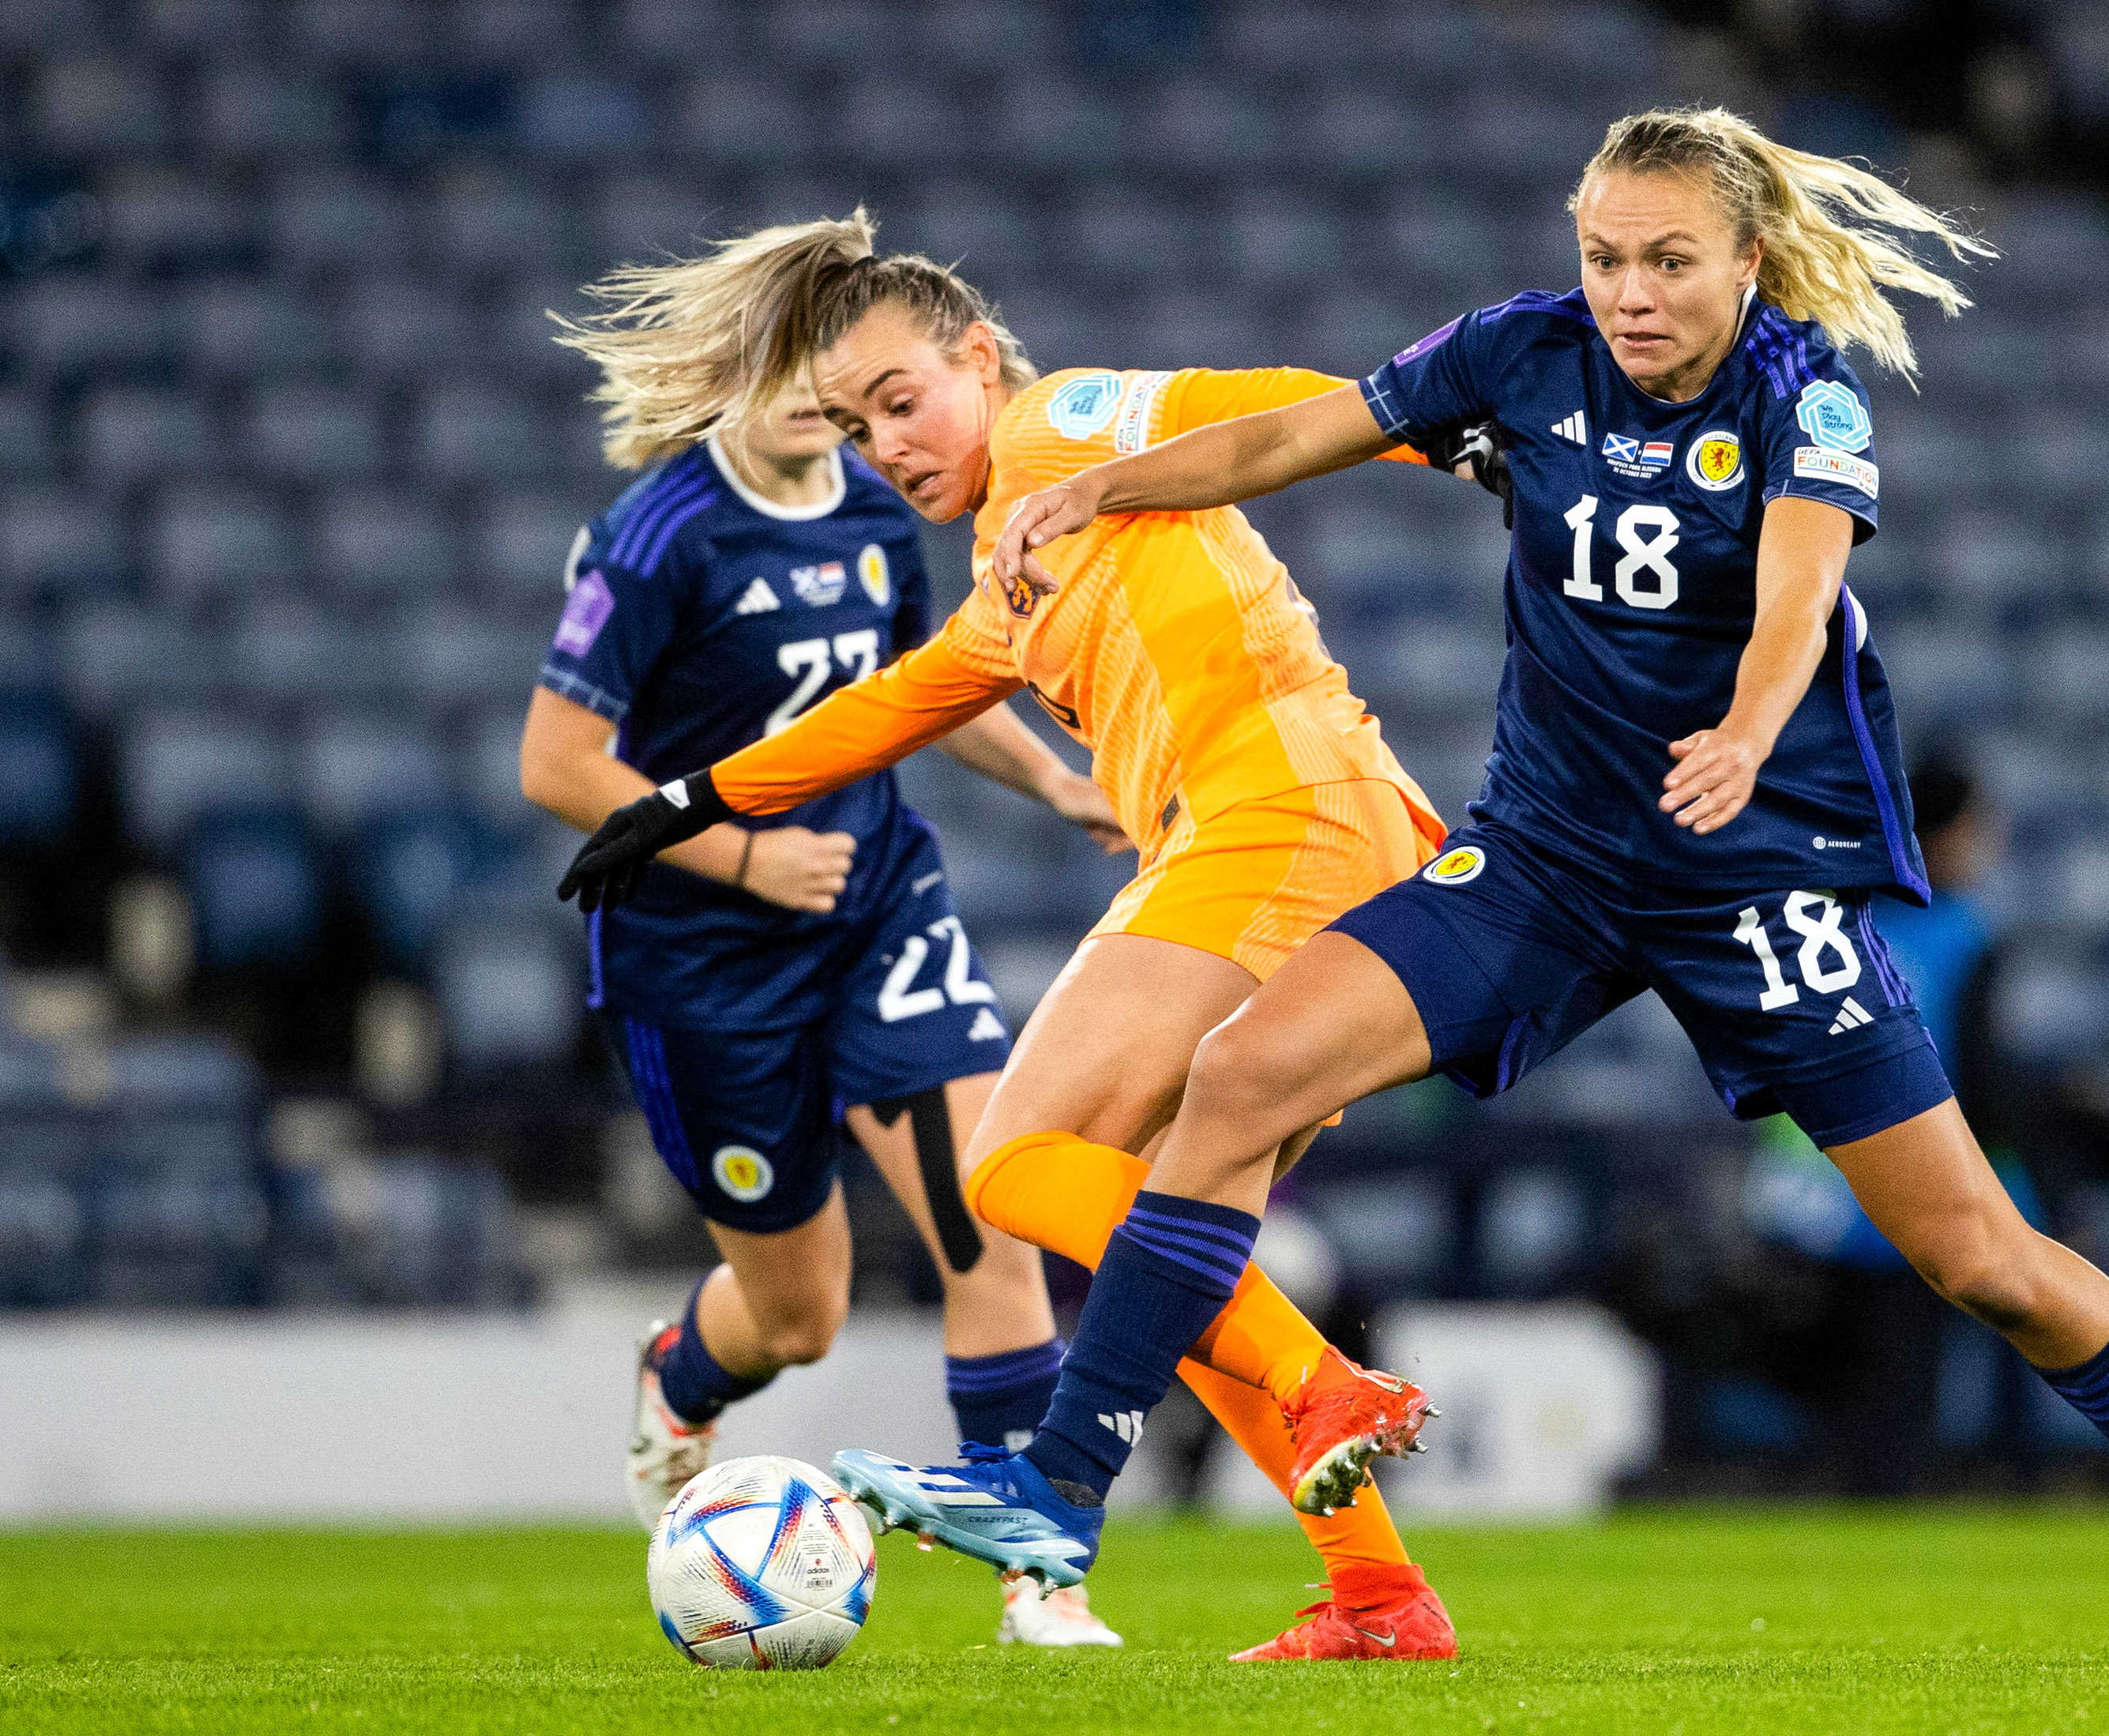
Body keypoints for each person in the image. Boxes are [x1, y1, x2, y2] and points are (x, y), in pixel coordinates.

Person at [797, 106, 2109, 1664]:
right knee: (1239, 1072)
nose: (1628, 291)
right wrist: (1103, 486)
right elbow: (1286, 439)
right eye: (1605, 255)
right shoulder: (1519, 352)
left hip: (1743, 876)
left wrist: (1746, 732)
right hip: (1542, 860)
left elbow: (1798, 589)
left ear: (1745, 260)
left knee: (1983, 1261)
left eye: (1667, 261)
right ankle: (1058, 1491)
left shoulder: (1801, 395)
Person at [551, 215, 1480, 1661]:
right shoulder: (1012, 568)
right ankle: (1377, 1595)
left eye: (903, 401)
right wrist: (689, 800)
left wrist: (1450, 436)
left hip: (1278, 814)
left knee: (1012, 1159)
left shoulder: (1058, 428)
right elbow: (894, 704)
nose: (886, 448)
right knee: (1169, 1259)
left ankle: (1326, 1387)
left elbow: (1264, 409)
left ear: (978, 359)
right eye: (856, 428)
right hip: (1311, 831)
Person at [525, 261, 1132, 1647]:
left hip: (873, 907)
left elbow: (922, 684)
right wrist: (748, 858)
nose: (820, 398)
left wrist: (1056, 782)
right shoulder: (658, 535)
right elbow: (556, 763)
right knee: (800, 1315)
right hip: (702, 961)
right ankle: (681, 1373)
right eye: (789, 364)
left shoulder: (871, 506)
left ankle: (1040, 1577)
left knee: (991, 1211)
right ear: (730, 374)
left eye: (843, 378)